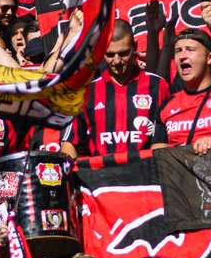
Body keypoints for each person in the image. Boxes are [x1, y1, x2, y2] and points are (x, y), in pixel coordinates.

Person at [66, 22, 169, 157]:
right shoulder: (87, 92)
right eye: (110, 55)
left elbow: (167, 138)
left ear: (135, 47)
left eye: (123, 53)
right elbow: (70, 144)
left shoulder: (157, 85)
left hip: (145, 174)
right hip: (101, 175)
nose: (117, 61)